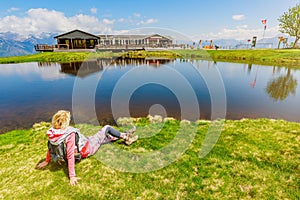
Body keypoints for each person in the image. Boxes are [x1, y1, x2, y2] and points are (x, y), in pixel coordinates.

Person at [36, 110, 138, 186]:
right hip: (87, 149)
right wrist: (72, 176)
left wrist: (47, 161)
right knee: (106, 128)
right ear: (65, 123)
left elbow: (50, 147)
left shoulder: (52, 133)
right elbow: (70, 155)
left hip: (84, 144)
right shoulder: (69, 135)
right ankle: (126, 137)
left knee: (101, 138)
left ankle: (123, 134)